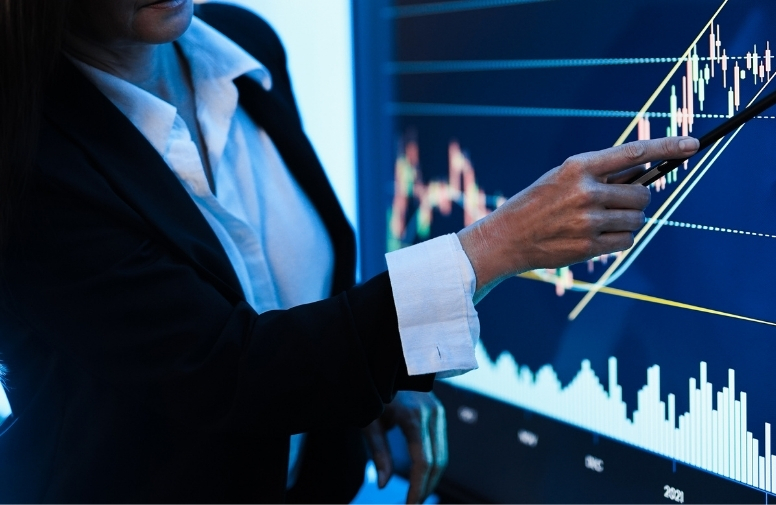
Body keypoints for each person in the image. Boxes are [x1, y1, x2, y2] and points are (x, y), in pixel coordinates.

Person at [0, 0, 700, 502]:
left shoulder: (243, 48)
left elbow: (292, 303)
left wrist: (364, 384)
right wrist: (496, 244)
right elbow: (230, 372)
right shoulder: (29, 157)